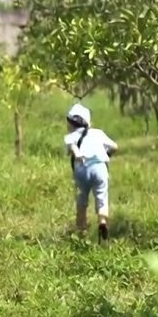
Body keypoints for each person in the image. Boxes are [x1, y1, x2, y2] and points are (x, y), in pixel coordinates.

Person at [64, 103, 118, 242]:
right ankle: (102, 222)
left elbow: (72, 147)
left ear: (70, 123)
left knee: (82, 199)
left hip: (82, 169)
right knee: (102, 197)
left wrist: (78, 154)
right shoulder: (98, 133)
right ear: (89, 123)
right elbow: (114, 146)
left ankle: (81, 230)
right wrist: (107, 153)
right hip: (100, 168)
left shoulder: (71, 136)